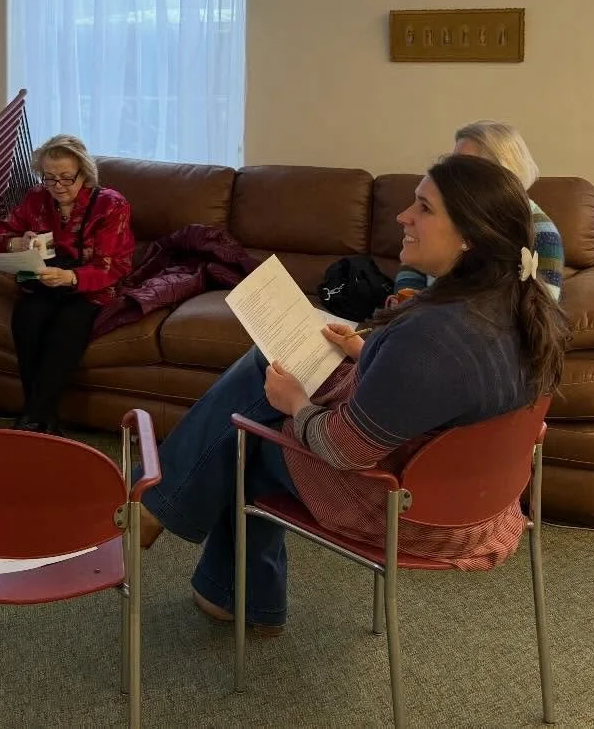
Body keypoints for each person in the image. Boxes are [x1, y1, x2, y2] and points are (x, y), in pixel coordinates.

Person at [135, 154, 568, 636]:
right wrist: (367, 353)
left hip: (406, 507)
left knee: (246, 441)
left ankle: (182, 532)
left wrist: (295, 403)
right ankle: (216, 580)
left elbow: (343, 449)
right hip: (481, 501)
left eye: (423, 208)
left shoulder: (433, 335)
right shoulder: (520, 310)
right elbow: (448, 396)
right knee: (265, 381)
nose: (404, 217)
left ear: (471, 236)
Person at [0, 134, 135, 433]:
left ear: (84, 174)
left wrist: (71, 277)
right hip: (44, 280)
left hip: (91, 285)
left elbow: (112, 266)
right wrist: (16, 242)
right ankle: (43, 419)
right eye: (49, 178)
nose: (58, 187)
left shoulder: (111, 204)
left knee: (67, 326)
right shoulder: (37, 199)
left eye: (67, 178)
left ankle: (32, 416)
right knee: (27, 317)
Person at [393, 120, 563, 303]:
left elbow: (542, 308)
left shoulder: (543, 233)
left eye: (466, 166)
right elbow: (417, 256)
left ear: (504, 173)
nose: (452, 174)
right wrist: (408, 295)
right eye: (454, 162)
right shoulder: (445, 211)